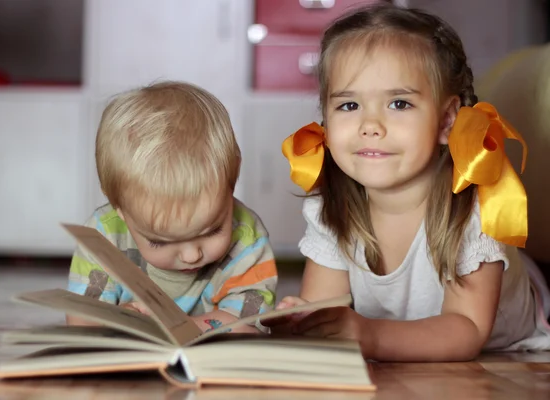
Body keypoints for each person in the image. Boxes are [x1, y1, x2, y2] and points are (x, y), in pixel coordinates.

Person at [269, 3, 550, 361]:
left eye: (399, 104)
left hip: (508, 346)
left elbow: (466, 328)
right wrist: (302, 320)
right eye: (349, 106)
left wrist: (367, 335)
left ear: (448, 121)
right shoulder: (331, 209)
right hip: (402, 342)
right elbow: (322, 304)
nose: (371, 125)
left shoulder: (475, 209)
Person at [66, 81, 277, 333]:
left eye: (211, 231)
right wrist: (120, 321)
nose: (191, 256)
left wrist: (178, 328)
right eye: (160, 242)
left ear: (232, 181)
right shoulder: (103, 237)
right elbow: (82, 320)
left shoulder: (246, 238)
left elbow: (249, 324)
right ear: (119, 210)